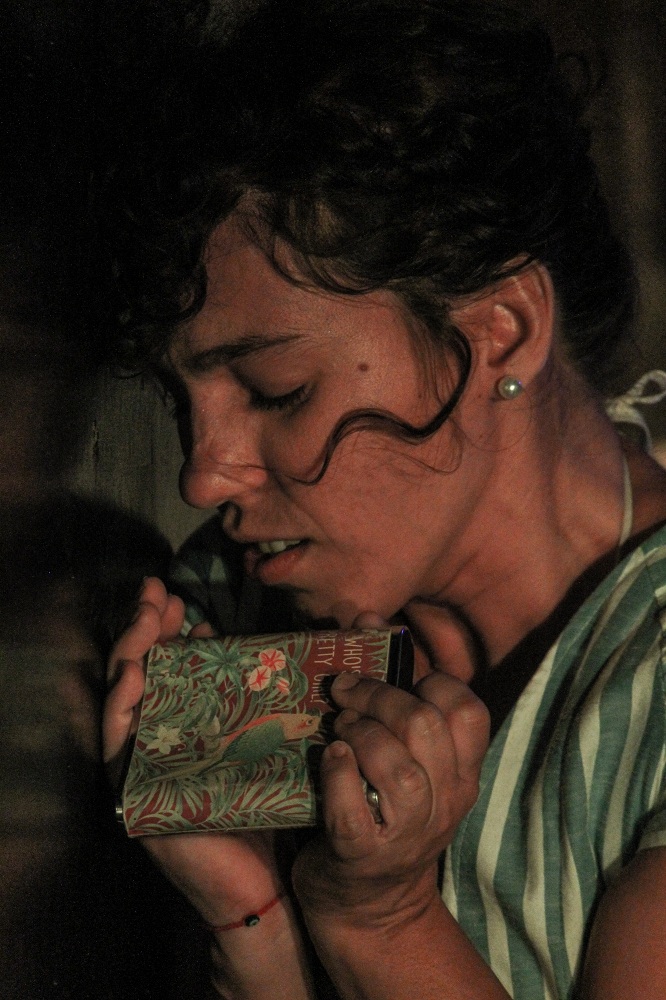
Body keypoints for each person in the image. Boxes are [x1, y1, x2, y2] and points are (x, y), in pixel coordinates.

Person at [102, 0, 666, 996]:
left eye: (278, 390)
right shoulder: (234, 624)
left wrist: (381, 920)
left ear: (501, 331)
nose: (203, 475)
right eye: (182, 402)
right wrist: (254, 922)